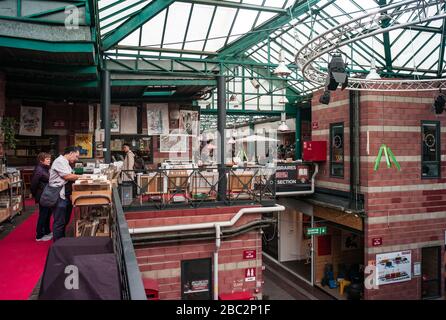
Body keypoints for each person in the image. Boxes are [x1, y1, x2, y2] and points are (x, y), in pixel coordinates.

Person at [49, 146, 80, 241]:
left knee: (65, 219)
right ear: (70, 153)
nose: (76, 159)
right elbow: (67, 176)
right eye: (76, 156)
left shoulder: (65, 162)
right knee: (59, 221)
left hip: (65, 195)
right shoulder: (60, 161)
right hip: (58, 195)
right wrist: (81, 177)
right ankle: (57, 243)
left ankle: (61, 240)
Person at [30, 152, 53, 241]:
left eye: (49, 159)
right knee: (43, 215)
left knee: (47, 214)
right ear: (41, 160)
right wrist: (35, 194)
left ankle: (47, 231)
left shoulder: (44, 168)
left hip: (46, 194)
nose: (49, 161)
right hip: (43, 195)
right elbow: (33, 184)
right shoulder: (39, 170)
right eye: (47, 159)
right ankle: (39, 235)